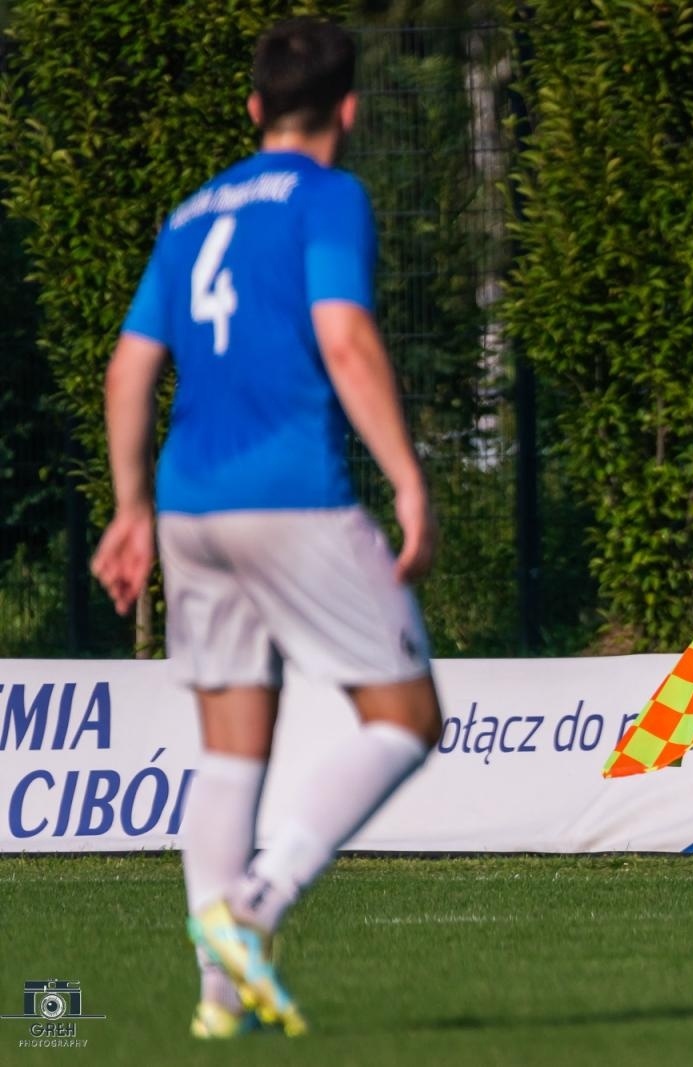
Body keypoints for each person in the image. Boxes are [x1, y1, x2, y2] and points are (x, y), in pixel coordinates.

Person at [90, 18, 442, 1037]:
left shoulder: (191, 212)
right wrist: (408, 479)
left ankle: (215, 996)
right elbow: (343, 334)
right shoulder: (330, 196)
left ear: (252, 110)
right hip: (290, 497)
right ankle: (255, 903)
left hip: (189, 506)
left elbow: (129, 368)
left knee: (232, 747)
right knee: (408, 715)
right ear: (348, 110)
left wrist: (130, 509)